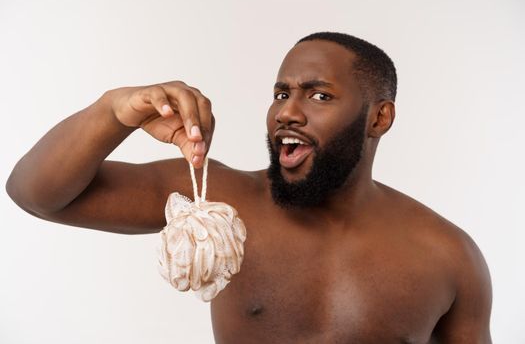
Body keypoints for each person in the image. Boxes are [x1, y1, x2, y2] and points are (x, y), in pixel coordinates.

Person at [6, 32, 492, 343]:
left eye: (319, 95)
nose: (287, 112)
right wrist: (113, 110)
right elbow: (35, 194)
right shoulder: (215, 201)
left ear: (379, 118)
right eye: (282, 93)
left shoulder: (449, 256)